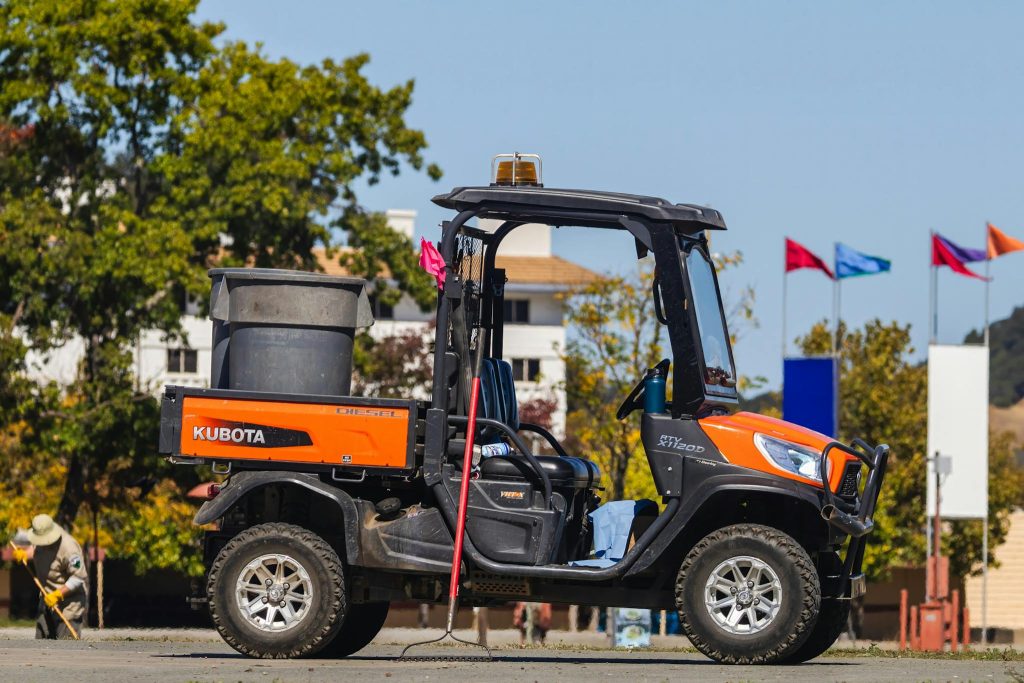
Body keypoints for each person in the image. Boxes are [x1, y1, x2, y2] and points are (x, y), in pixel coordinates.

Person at [11, 514, 88, 639]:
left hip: (68, 603)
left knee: (66, 645)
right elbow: (36, 549)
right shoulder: (39, 538)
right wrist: (25, 554)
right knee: (42, 643)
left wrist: (58, 594)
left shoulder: (69, 547)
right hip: (46, 599)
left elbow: (78, 577)